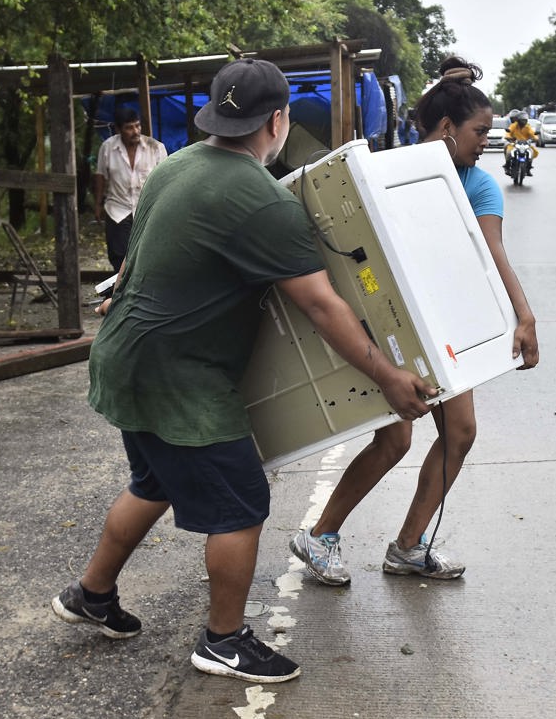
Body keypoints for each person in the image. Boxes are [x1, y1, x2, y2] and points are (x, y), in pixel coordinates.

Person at [51, 59, 436, 684]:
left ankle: (90, 595)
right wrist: (389, 376)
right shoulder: (260, 199)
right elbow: (320, 304)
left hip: (124, 355)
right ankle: (223, 642)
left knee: (154, 480)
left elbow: (140, 256)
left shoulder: (172, 165)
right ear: (278, 120)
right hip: (180, 376)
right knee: (240, 501)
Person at [290, 56, 539, 585]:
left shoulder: (480, 185)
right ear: (446, 128)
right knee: (394, 439)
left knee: (460, 432)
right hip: (386, 324)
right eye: (478, 132)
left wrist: (524, 315)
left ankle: (408, 546)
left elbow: (493, 255)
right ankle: (321, 536)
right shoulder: (384, 172)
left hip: (445, 325)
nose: (485, 142)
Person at [93, 106, 167, 271]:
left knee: (148, 255)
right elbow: (100, 175)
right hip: (118, 209)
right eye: (129, 127)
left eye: (137, 126)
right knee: (119, 257)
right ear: (118, 129)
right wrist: (97, 204)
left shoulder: (155, 148)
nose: (135, 131)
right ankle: (121, 293)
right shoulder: (107, 148)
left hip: (147, 210)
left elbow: (165, 178)